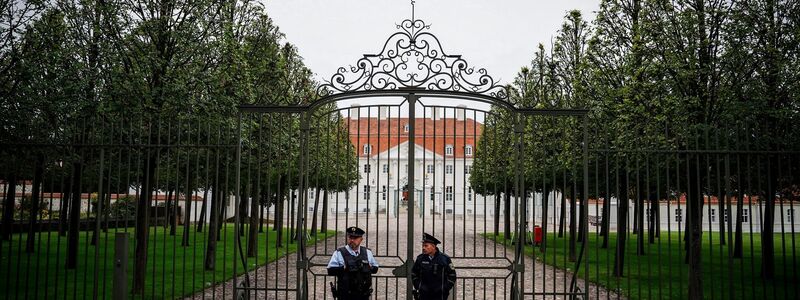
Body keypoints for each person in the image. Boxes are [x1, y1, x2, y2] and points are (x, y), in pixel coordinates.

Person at [327, 226, 379, 300]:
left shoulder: (367, 252)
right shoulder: (339, 253)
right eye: (350, 237)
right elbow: (330, 271)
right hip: (345, 294)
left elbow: (375, 269)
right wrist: (344, 268)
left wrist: (369, 267)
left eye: (355, 238)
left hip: (363, 294)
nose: (352, 240)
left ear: (361, 239)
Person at [411, 233, 456, 300]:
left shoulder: (445, 259)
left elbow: (452, 275)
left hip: (440, 295)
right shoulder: (420, 259)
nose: (423, 248)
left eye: (426, 246)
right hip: (424, 295)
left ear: (433, 246)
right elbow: (414, 273)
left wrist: (444, 288)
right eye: (423, 246)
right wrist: (419, 286)